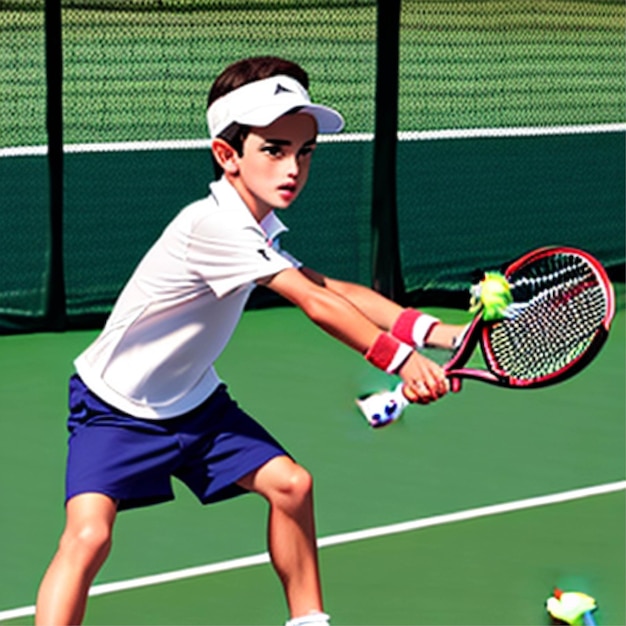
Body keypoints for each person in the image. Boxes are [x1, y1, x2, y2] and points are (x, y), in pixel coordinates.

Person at [35, 56, 465, 626]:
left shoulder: (256, 226)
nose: (293, 168)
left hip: (196, 403)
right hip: (115, 408)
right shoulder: (212, 225)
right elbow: (314, 304)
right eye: (274, 149)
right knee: (88, 537)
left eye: (304, 151)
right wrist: (402, 361)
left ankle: (309, 621)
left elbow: (329, 286)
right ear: (227, 155)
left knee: (291, 485)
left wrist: (435, 331)